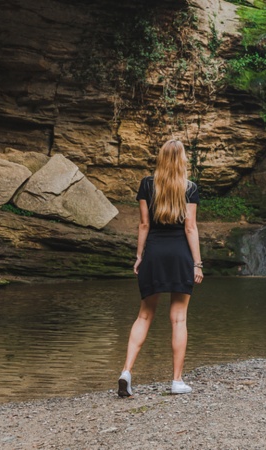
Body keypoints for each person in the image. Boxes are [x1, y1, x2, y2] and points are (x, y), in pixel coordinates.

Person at [118, 139, 204, 397]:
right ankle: (176, 380)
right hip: (180, 255)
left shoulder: (146, 184)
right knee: (178, 318)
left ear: (161, 158)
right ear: (182, 160)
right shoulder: (190, 188)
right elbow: (190, 227)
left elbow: (144, 225)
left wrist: (139, 256)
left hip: (153, 253)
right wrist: (197, 263)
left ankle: (126, 372)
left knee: (144, 315)